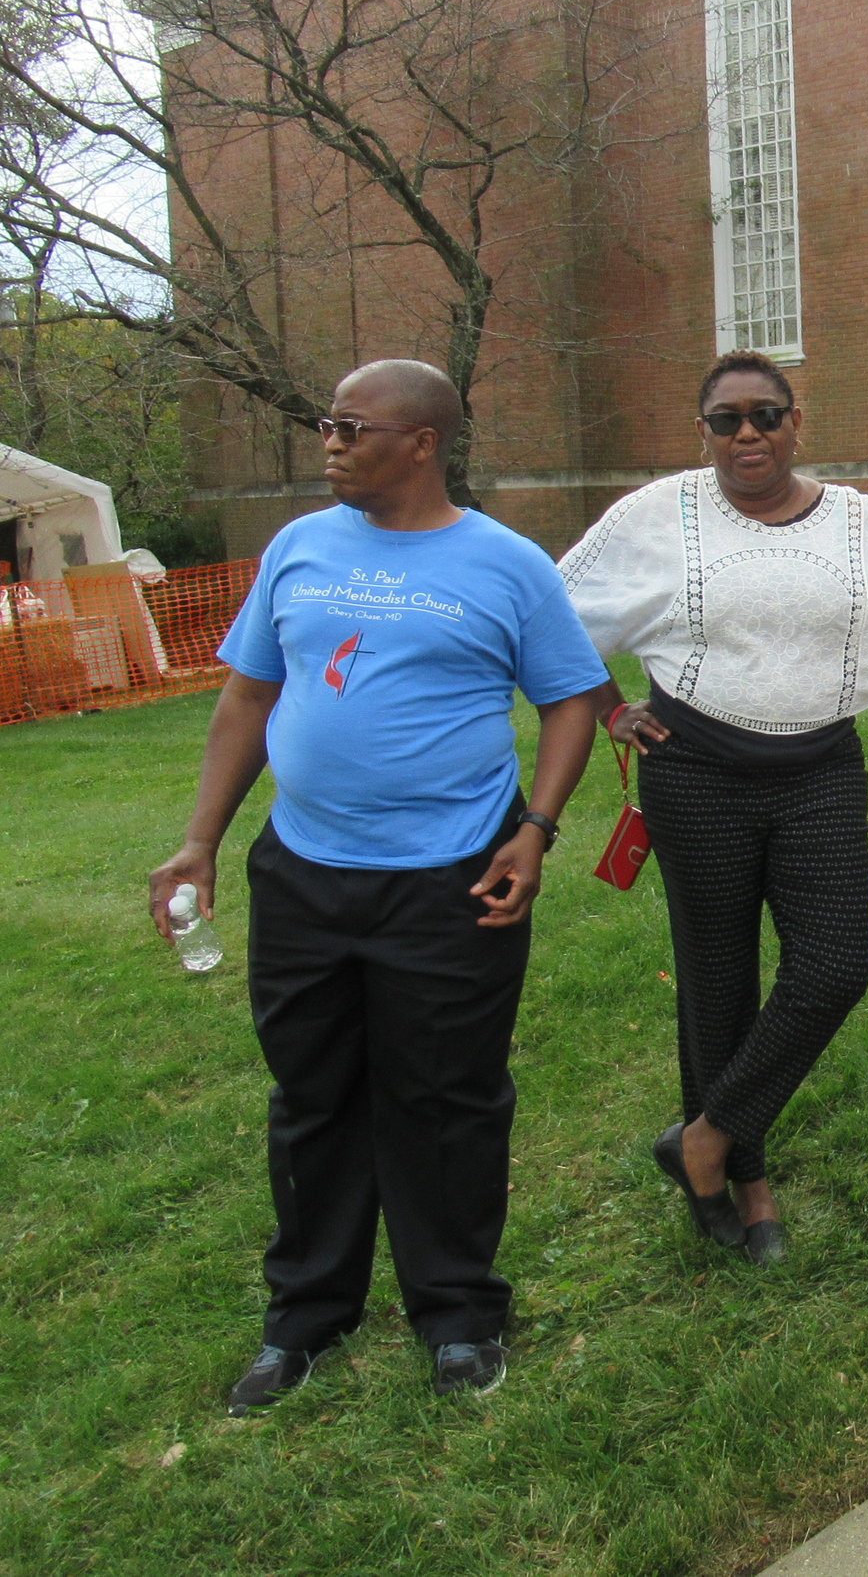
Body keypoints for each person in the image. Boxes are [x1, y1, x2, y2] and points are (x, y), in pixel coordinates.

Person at [148, 360, 610, 1415]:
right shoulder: (299, 550)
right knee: (312, 1096)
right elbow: (248, 694)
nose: (330, 440)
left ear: (423, 441)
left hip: (452, 881)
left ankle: (457, 1316)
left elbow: (573, 702)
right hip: (305, 873)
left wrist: (535, 831)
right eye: (326, 424)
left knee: (446, 1100)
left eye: (351, 426)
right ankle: (305, 1318)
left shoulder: (505, 564)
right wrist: (200, 840)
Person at [559, 352, 868, 1263]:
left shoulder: (854, 521)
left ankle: (703, 1138)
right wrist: (610, 706)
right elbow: (552, 611)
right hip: (695, 772)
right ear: (703, 432)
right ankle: (745, 1186)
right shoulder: (656, 514)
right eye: (727, 419)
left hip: (820, 770)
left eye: (766, 414)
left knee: (835, 966)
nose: (748, 433)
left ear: (799, 422)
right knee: (716, 984)